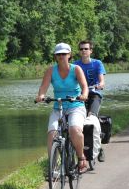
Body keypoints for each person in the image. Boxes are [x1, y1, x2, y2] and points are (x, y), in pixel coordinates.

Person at [35, 42, 89, 173]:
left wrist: (84, 95)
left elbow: (84, 86)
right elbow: (43, 88)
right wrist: (41, 96)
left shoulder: (76, 69)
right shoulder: (50, 71)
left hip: (76, 105)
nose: (61, 56)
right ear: (55, 56)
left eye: (64, 54)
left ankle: (81, 157)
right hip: (58, 107)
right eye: (58, 54)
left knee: (74, 129)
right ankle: (53, 166)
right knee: (52, 133)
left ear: (69, 55)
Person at [74, 40, 106, 162]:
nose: (83, 51)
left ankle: (100, 148)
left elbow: (102, 80)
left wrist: (100, 85)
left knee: (92, 117)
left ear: (91, 51)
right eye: (81, 49)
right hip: (81, 96)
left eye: (86, 49)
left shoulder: (97, 63)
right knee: (78, 121)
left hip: (94, 95)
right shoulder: (75, 65)